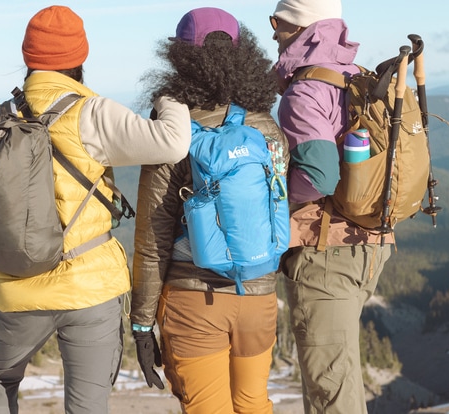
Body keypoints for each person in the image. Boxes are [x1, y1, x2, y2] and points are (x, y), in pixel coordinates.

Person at [0, 5, 192, 414]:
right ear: (79, 58)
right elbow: (174, 142)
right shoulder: (91, 112)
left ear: (28, 58)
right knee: (87, 407)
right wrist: (170, 93)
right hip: (89, 286)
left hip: (14, 287)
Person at [130, 7, 288, 414]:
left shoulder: (172, 133)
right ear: (243, 56)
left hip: (194, 302)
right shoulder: (265, 127)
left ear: (180, 58)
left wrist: (142, 323)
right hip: (258, 296)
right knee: (253, 405)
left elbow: (153, 238)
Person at [270, 0, 394, 413]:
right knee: (338, 383)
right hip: (372, 243)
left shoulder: (305, 91)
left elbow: (320, 175)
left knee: (331, 393)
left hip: (327, 255)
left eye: (278, 21)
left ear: (301, 26)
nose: (273, 32)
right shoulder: (357, 77)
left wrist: (276, 205)